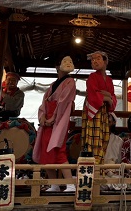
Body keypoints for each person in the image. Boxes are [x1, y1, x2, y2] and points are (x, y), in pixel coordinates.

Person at [33, 56, 77, 192]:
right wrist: (43, 118)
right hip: (48, 122)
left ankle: (70, 184)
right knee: (46, 151)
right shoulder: (52, 85)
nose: (67, 64)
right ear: (57, 67)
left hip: (59, 120)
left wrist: (53, 118)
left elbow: (64, 102)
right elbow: (43, 103)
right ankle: (54, 184)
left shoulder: (70, 82)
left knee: (59, 150)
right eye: (63, 62)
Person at [81, 51, 117, 164]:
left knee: (104, 138)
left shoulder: (110, 80)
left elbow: (112, 96)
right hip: (94, 111)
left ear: (105, 61)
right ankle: (93, 167)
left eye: (98, 58)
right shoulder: (92, 77)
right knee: (93, 140)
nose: (94, 61)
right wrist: (106, 98)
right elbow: (92, 95)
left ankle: (100, 166)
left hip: (104, 111)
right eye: (92, 60)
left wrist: (108, 98)